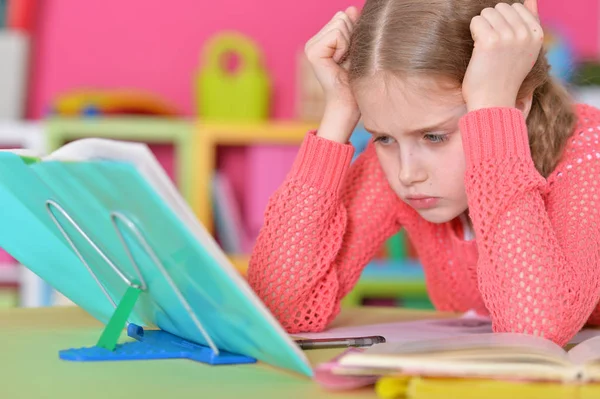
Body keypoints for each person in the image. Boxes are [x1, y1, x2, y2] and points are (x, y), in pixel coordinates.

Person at [247, 0, 600, 346]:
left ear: (514, 105)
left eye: (434, 136)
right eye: (382, 137)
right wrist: (338, 111)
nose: (407, 173)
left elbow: (534, 331)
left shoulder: (586, 155)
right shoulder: (398, 166)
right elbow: (279, 307)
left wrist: (491, 111)